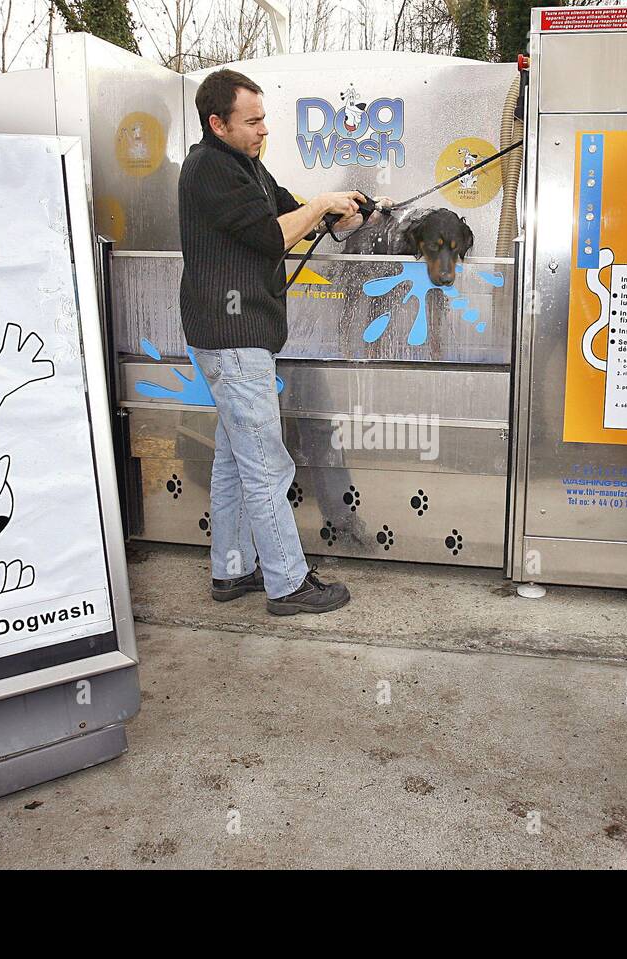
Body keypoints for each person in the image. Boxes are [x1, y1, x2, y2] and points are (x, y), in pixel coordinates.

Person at [178, 68, 382, 615]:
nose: (263, 129)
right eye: (253, 120)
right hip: (233, 335)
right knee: (268, 465)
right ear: (217, 123)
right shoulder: (209, 169)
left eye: (264, 118)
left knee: (234, 459)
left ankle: (232, 569)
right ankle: (288, 584)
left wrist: (342, 214)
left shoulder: (245, 166)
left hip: (237, 337)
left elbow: (288, 214)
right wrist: (319, 205)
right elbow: (272, 236)